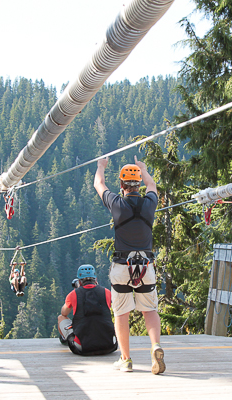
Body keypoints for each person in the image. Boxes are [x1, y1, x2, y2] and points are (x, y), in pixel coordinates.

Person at [94, 156, 165, 374]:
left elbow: (99, 184)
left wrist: (101, 166)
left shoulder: (117, 204)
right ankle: (155, 346)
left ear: (122, 185)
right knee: (149, 309)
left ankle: (126, 359)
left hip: (122, 266)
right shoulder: (150, 203)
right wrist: (143, 168)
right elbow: (152, 186)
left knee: (122, 313)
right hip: (145, 266)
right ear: (139, 184)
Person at [57, 264, 118, 356]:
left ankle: (66, 340)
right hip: (109, 345)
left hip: (83, 348)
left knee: (61, 318)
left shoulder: (74, 294)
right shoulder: (106, 292)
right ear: (95, 280)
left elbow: (64, 312)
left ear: (79, 282)